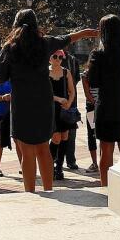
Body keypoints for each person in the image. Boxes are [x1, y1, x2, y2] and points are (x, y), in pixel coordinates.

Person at [0, 10, 98, 193]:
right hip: (44, 101)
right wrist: (85, 32)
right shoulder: (44, 43)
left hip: (22, 103)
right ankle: (48, 189)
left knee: (27, 151)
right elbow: (66, 38)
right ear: (35, 24)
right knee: (43, 147)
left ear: (15, 25)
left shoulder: (10, 47)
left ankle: (30, 193)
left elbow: (1, 77)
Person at [82, 14, 120, 186]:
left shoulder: (98, 54)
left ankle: (105, 188)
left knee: (106, 151)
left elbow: (94, 81)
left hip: (105, 106)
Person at [47, 50, 78, 181]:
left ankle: (58, 167)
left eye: (60, 57)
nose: (58, 59)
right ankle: (49, 166)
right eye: (55, 56)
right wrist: (59, 99)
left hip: (64, 109)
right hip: (51, 109)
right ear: (49, 58)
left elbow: (72, 91)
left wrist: (69, 103)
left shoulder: (66, 72)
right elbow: (43, 93)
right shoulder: (44, 72)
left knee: (65, 137)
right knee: (56, 138)